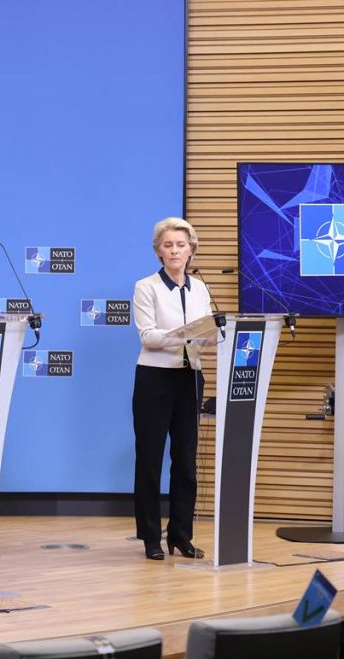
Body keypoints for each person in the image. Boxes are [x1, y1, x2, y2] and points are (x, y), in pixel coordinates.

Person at [131, 217, 212, 561]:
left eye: (181, 245)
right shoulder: (145, 287)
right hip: (154, 379)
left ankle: (181, 534)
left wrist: (200, 337)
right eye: (168, 245)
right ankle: (151, 538)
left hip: (190, 377)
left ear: (191, 250)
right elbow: (148, 337)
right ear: (158, 252)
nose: (175, 250)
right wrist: (183, 336)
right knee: (149, 460)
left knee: (186, 463)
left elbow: (207, 331)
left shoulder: (200, 288)